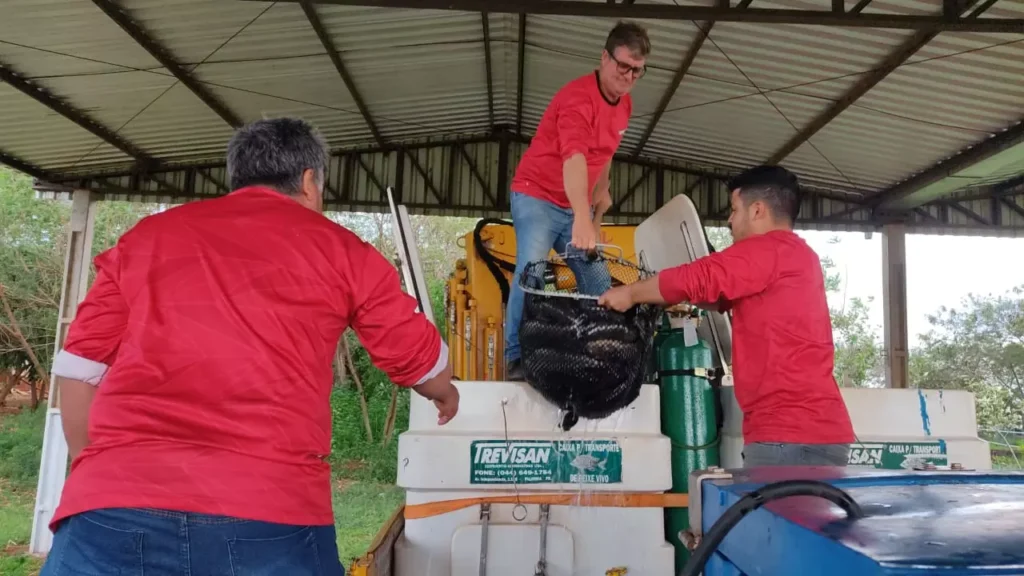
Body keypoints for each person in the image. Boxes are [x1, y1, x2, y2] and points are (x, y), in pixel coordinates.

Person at [41, 117, 460, 575]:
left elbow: (80, 367)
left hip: (109, 511)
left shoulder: (147, 239)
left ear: (238, 176)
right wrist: (446, 393)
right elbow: (424, 368)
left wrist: (99, 472)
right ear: (308, 182)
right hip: (269, 514)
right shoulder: (343, 252)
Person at [598, 165, 855, 467]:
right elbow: (717, 295)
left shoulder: (769, 249)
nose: (730, 220)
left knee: (776, 515)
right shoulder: (796, 256)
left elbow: (703, 276)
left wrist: (630, 294)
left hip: (790, 434)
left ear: (758, 210)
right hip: (807, 432)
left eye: (734, 210)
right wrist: (664, 294)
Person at [503, 20, 651, 381]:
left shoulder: (625, 105)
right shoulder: (576, 99)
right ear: (604, 57)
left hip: (577, 205)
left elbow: (605, 153)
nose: (629, 76)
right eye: (623, 66)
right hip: (536, 194)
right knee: (532, 271)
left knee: (597, 280)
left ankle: (596, 351)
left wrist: (599, 203)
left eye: (638, 71)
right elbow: (575, 159)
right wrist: (581, 217)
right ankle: (515, 357)